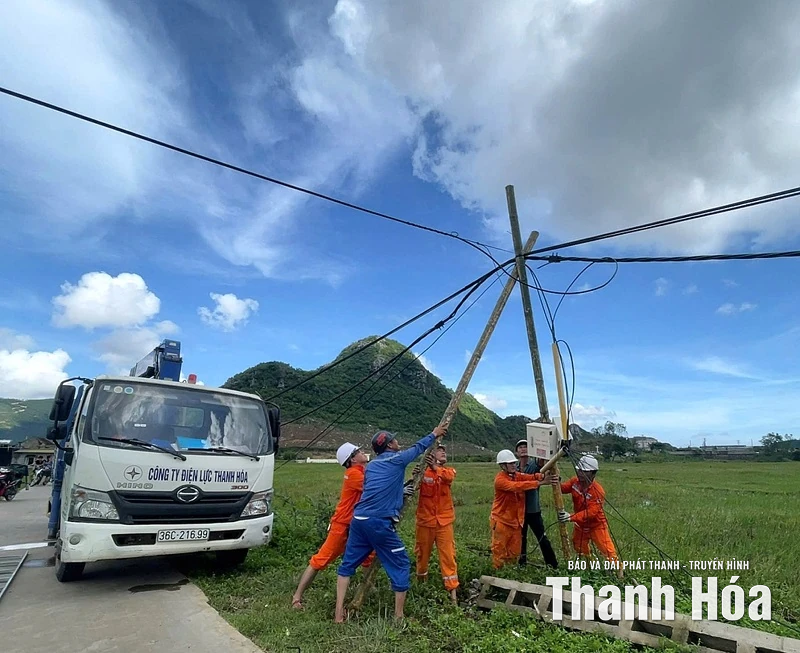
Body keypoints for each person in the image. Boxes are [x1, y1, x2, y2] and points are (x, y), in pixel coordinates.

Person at [334, 425, 447, 623]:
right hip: (378, 522)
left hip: (359, 519)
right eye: (394, 440)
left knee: (347, 566)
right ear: (390, 445)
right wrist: (434, 434)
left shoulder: (372, 467)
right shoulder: (397, 459)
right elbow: (418, 447)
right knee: (401, 562)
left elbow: (379, 488)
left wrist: (402, 490)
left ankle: (338, 613)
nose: (397, 442)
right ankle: (398, 616)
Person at [291, 442, 374, 609]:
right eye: (358, 451)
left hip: (356, 524)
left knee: (368, 557)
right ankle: (296, 597)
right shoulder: (354, 474)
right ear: (352, 459)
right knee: (321, 559)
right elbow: (376, 488)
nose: (362, 452)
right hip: (342, 526)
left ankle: (369, 591)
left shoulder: (361, 471)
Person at [490, 449, 550, 569]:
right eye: (510, 463)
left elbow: (529, 477)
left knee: (514, 551)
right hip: (502, 521)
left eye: (514, 463)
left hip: (516, 522)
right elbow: (517, 486)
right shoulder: (500, 480)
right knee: (499, 550)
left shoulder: (516, 475)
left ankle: (510, 572)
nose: (514, 465)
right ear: (503, 466)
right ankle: (498, 574)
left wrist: (541, 476)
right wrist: (540, 483)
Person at [414, 444, 458, 604]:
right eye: (440, 450)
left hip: (444, 523)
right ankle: (421, 586)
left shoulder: (448, 471)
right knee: (422, 554)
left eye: (444, 450)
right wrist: (416, 476)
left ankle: (453, 594)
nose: (443, 452)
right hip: (425, 522)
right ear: (430, 454)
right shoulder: (422, 472)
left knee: (448, 556)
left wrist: (435, 467)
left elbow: (448, 478)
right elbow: (414, 486)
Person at [554, 454, 619, 563]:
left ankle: (619, 572)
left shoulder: (598, 491)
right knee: (579, 547)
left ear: (593, 473)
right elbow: (562, 489)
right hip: (580, 525)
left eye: (584, 471)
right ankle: (589, 565)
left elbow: (591, 513)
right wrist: (556, 480)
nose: (580, 473)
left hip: (596, 526)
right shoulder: (575, 482)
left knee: (608, 551)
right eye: (579, 470)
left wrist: (571, 517)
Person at [514, 439, 558, 569]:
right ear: (516, 452)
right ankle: (521, 563)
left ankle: (552, 564)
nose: (523, 449)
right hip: (519, 510)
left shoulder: (534, 466)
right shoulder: (514, 467)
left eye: (526, 447)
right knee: (521, 538)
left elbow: (541, 463)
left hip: (533, 510)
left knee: (541, 537)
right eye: (520, 447)